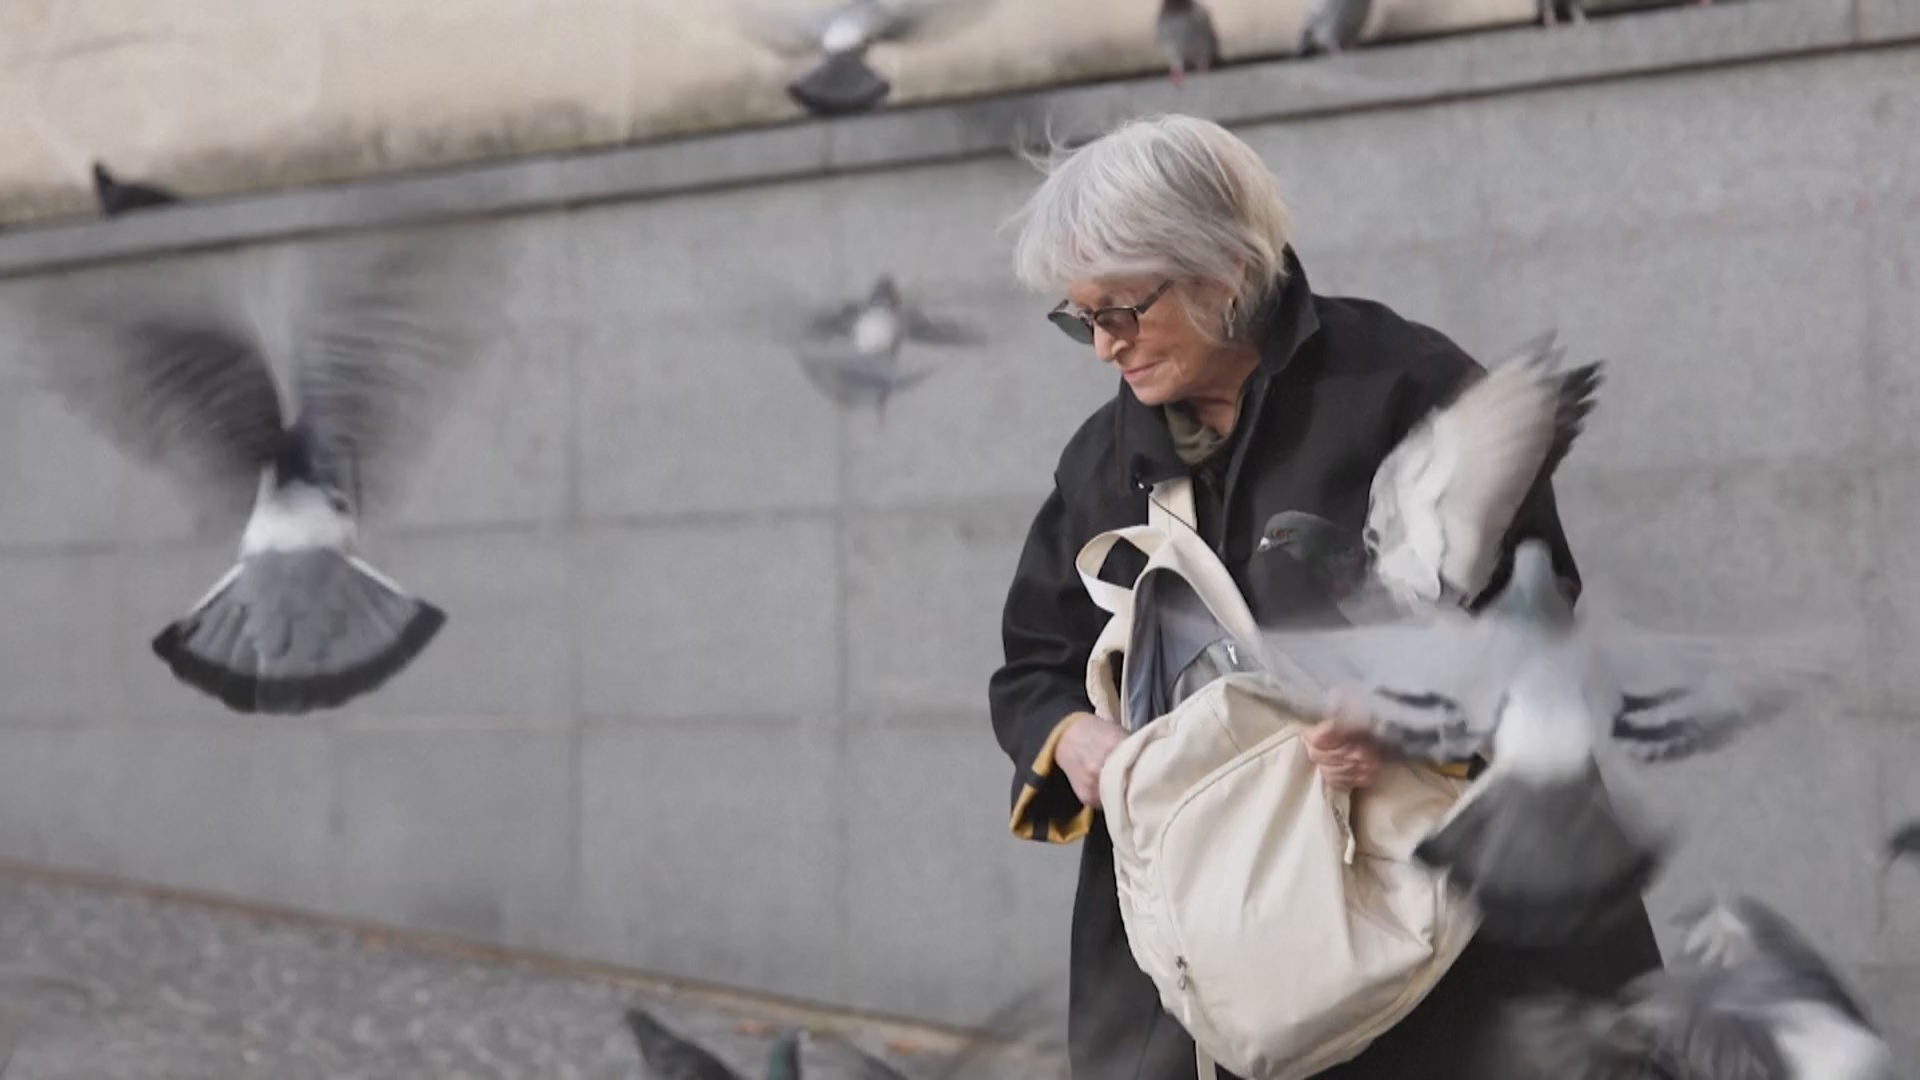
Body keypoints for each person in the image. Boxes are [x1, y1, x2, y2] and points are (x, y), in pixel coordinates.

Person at [987, 114, 1663, 1080]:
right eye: (1080, 318)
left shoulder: (1400, 382)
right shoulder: (1103, 457)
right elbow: (1032, 666)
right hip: (1210, 933)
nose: (1104, 348)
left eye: (1123, 312)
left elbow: (1537, 604)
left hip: (1435, 917)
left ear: (1221, 271)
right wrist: (1075, 741)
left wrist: (1404, 710)